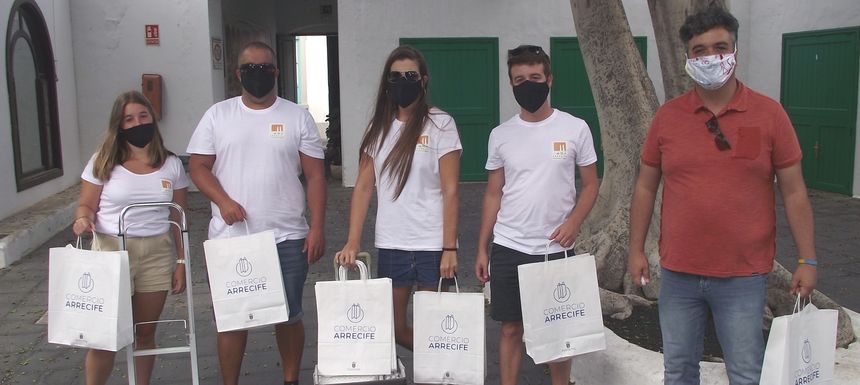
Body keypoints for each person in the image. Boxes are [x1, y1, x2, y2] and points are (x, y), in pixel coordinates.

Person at [627, 7, 818, 385]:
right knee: (678, 370)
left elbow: (794, 191)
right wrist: (635, 250)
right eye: (699, 50)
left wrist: (808, 258)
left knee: (746, 373)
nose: (710, 57)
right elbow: (646, 184)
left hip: (743, 276)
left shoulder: (769, 114)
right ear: (688, 57)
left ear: (736, 51)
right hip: (678, 272)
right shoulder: (667, 118)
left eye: (720, 46)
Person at [187, 41, 326, 385]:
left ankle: (291, 379)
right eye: (250, 69)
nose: (258, 74)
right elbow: (198, 167)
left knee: (290, 315)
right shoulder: (218, 115)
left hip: (287, 235)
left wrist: (317, 228)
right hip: (231, 239)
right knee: (233, 320)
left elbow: (316, 176)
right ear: (238, 74)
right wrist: (223, 201)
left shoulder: (297, 116)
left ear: (276, 73)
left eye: (265, 68)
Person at [474, 44, 599, 385]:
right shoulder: (500, 135)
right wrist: (483, 247)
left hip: (555, 250)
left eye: (534, 77)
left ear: (549, 79)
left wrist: (574, 222)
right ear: (511, 84)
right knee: (511, 329)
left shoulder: (575, 128)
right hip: (509, 245)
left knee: (559, 335)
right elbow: (493, 193)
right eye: (519, 79)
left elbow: (590, 185)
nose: (527, 84)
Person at [335, 45, 461, 351]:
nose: (402, 81)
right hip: (392, 243)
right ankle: (445, 361)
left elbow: (451, 190)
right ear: (386, 82)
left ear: (424, 80)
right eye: (395, 76)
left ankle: (436, 370)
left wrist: (449, 247)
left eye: (410, 75)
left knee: (433, 329)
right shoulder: (377, 128)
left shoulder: (441, 124)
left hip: (432, 244)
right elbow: (364, 188)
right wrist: (353, 240)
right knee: (391, 327)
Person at [73, 91, 188, 385]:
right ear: (119, 125)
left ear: (152, 118)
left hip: (156, 253)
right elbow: (86, 205)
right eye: (129, 119)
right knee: (105, 334)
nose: (137, 123)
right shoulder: (104, 162)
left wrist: (181, 260)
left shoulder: (172, 164)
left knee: (145, 331)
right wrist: (83, 219)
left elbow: (178, 217)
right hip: (112, 250)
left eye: (142, 116)